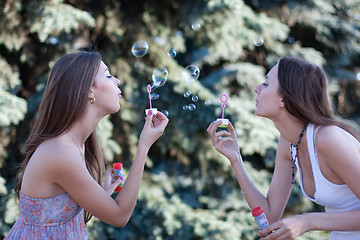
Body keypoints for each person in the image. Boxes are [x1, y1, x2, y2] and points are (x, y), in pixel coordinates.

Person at [5, 51, 168, 239]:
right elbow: (119, 216)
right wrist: (144, 146)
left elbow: (60, 216)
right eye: (108, 75)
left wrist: (103, 193)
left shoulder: (75, 145)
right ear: (89, 90)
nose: (117, 81)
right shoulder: (60, 152)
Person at [207, 56, 360, 239]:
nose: (257, 89)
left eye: (266, 83)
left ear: (284, 99)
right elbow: (270, 216)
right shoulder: (289, 142)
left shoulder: (328, 138)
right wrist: (236, 159)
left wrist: (308, 221)